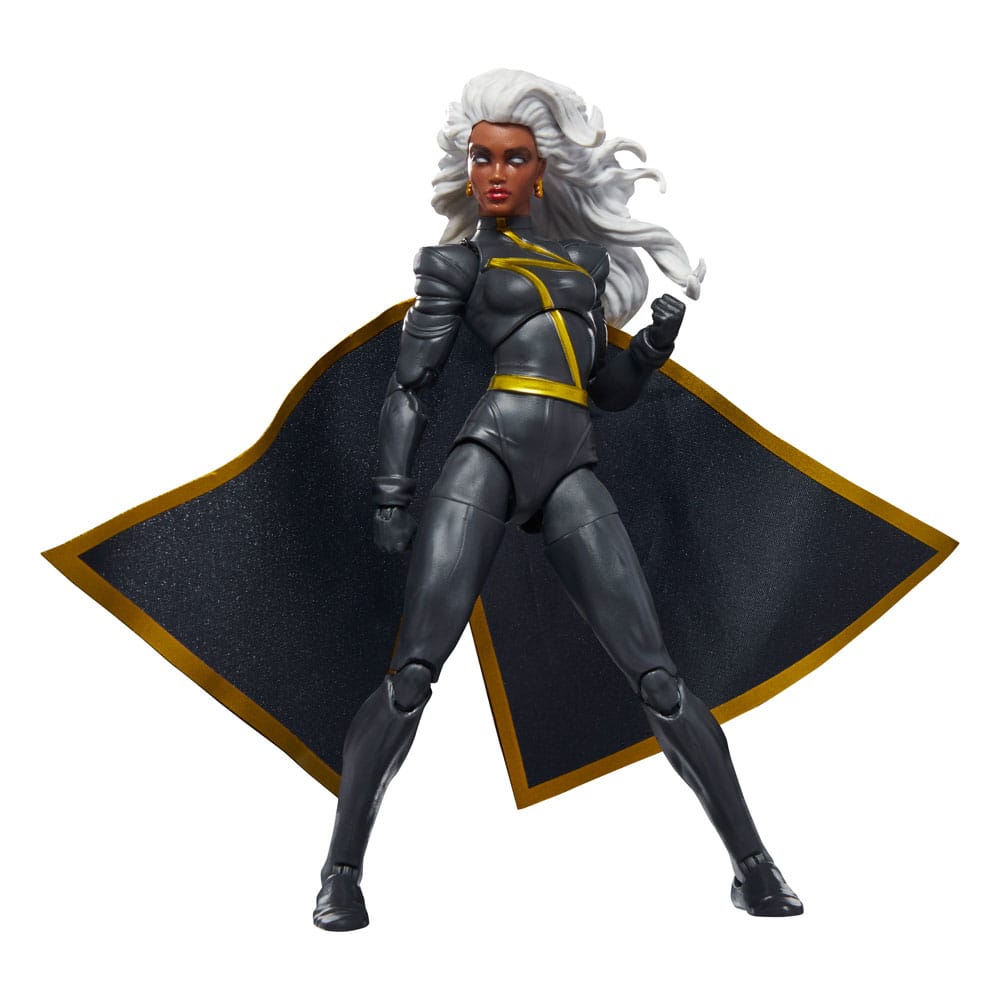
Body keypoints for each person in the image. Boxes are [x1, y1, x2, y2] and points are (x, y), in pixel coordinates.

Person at [313, 69, 802, 930]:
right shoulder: (457, 263)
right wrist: (391, 491)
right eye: (483, 158)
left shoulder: (584, 263)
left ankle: (753, 865)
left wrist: (648, 351)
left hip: (571, 463)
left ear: (543, 170)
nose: (495, 173)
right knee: (414, 673)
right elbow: (410, 386)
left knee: (657, 676)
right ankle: (339, 872)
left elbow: (602, 390)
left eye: (514, 158)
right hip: (488, 455)